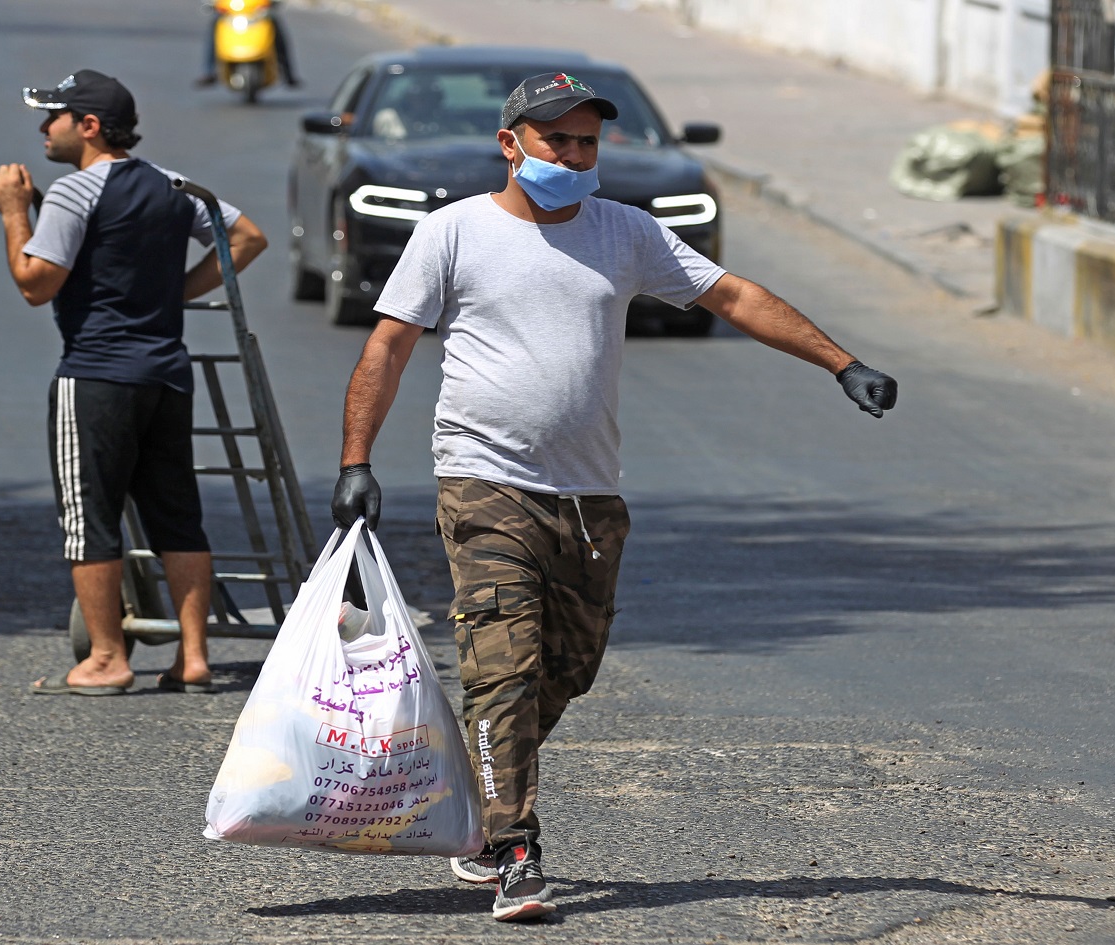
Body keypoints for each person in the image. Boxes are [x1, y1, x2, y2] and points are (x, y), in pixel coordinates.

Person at [329, 71, 898, 922]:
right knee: (505, 667)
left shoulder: (626, 231)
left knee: (568, 669)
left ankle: (482, 804)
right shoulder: (453, 232)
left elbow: (732, 294)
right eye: (557, 139)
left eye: (587, 141)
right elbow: (389, 346)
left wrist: (841, 362)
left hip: (589, 496)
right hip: (485, 480)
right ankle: (516, 850)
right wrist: (356, 459)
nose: (574, 154)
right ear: (511, 144)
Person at [0, 69, 269, 697]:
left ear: (88, 126)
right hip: (166, 374)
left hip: (95, 375)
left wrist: (12, 212)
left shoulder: (73, 193)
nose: (43, 128)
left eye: (53, 117)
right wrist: (175, 292)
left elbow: (36, 283)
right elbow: (247, 238)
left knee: (90, 519)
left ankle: (108, 658)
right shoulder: (176, 187)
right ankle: (193, 656)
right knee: (178, 515)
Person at [195, 0, 300, 89]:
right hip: (231, 14)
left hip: (257, 13)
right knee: (215, 27)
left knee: (275, 27)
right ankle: (208, 71)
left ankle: (288, 73)